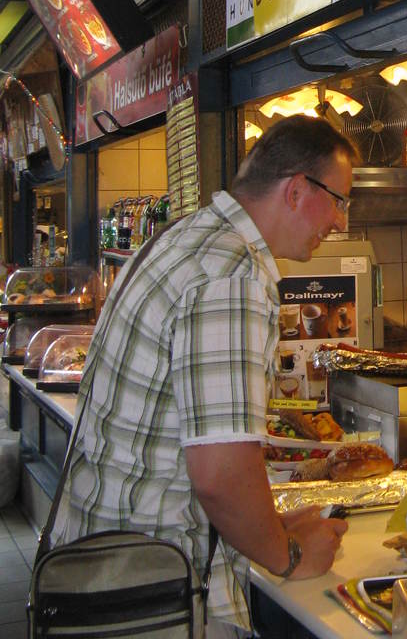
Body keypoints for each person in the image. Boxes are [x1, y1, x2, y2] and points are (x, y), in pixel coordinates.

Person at [50, 116, 356, 638]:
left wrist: (267, 527)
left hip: (104, 569)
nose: (340, 222)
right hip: (151, 591)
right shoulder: (231, 275)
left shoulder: (189, 238)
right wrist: (288, 555)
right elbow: (220, 474)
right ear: (297, 190)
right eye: (339, 201)